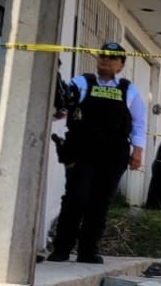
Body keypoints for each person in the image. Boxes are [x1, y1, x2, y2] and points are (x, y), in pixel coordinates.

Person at [49, 42, 146, 264]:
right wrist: (58, 109)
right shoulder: (81, 82)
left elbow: (139, 123)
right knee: (76, 197)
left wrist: (138, 151)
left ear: (121, 65)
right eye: (102, 56)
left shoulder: (129, 90)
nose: (105, 60)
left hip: (113, 154)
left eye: (112, 58)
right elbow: (62, 109)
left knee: (99, 202)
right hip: (80, 150)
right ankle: (62, 249)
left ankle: (87, 252)